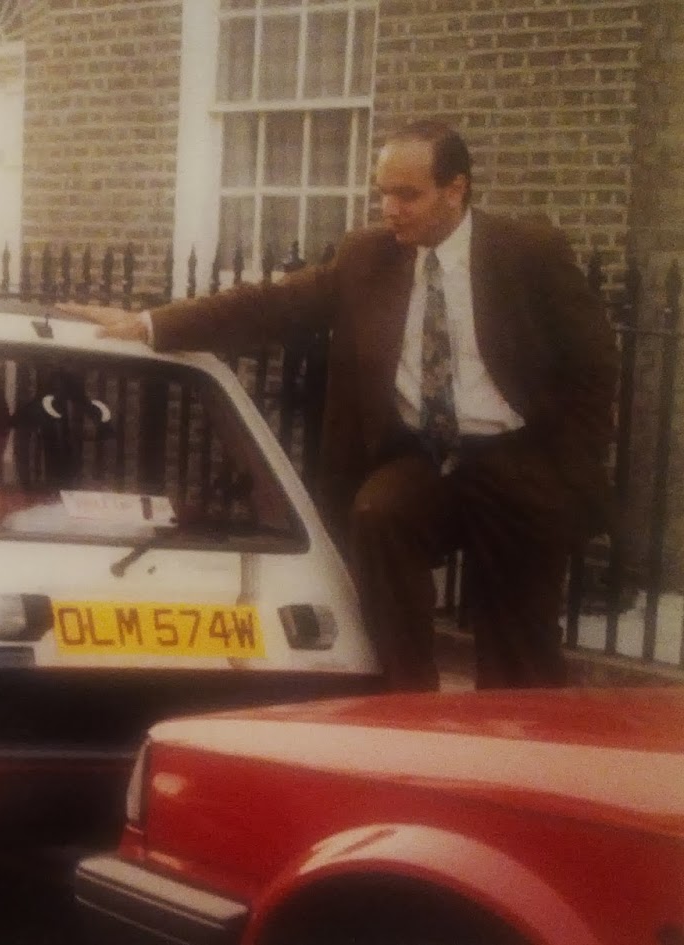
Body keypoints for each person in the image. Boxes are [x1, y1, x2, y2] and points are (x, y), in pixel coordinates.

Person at [58, 119, 618, 691]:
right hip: (425, 457)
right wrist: (151, 323)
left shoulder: (527, 253)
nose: (390, 209)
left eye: (407, 194)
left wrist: (567, 472)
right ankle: (406, 699)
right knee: (379, 514)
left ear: (456, 189)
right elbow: (272, 305)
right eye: (383, 192)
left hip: (516, 458)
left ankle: (515, 728)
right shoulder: (367, 257)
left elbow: (595, 364)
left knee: (520, 649)